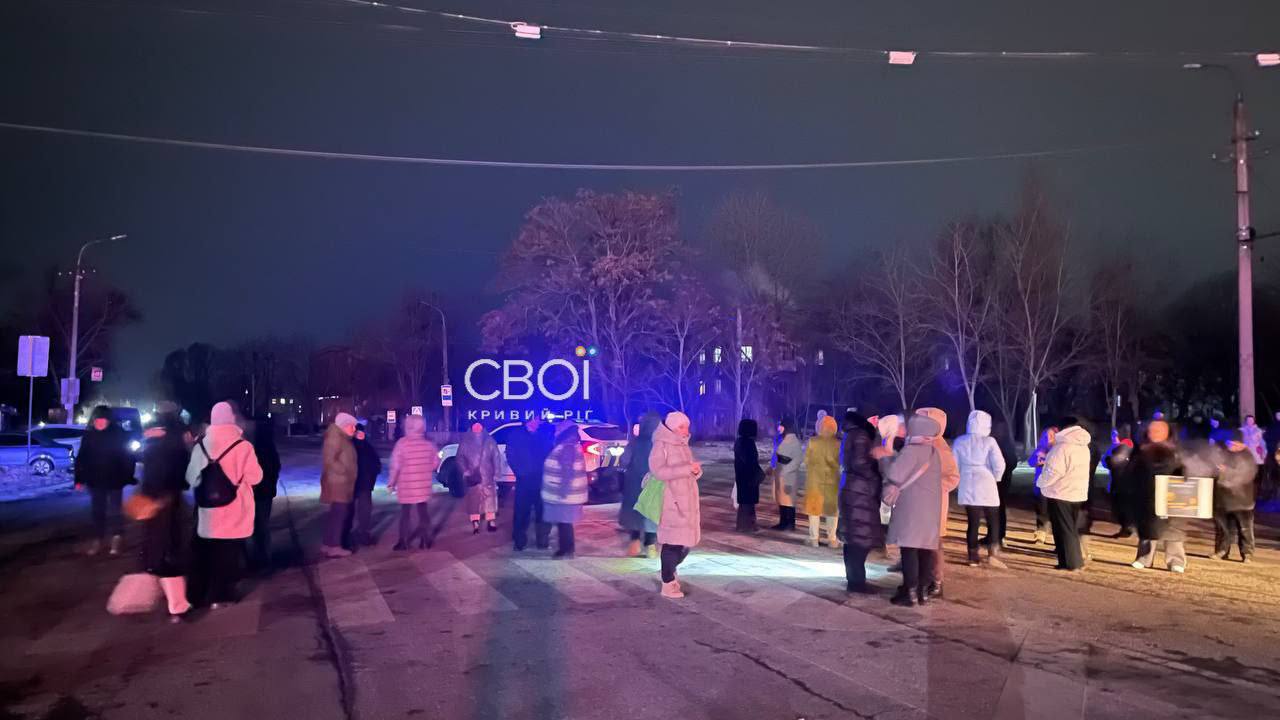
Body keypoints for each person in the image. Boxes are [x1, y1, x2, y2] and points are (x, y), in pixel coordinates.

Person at [187, 401, 263, 608]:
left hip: (208, 510)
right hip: (234, 509)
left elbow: (191, 478)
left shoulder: (201, 446)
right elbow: (256, 477)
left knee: (210, 551)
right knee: (229, 553)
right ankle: (222, 596)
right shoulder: (243, 446)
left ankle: (206, 593)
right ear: (231, 419)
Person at [882, 413, 946, 607]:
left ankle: (909, 592)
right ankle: (922, 592)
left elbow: (894, 473)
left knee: (909, 549)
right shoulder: (933, 452)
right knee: (925, 550)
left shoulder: (912, 451)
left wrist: (885, 456)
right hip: (930, 510)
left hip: (911, 509)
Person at [137, 405, 192, 621]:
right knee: (171, 548)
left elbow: (148, 470)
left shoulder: (150, 440)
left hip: (153, 499)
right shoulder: (176, 440)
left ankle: (172, 600)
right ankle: (177, 604)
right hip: (169, 498)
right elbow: (183, 471)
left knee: (159, 548)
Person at [650, 411, 702, 599]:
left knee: (685, 543)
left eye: (687, 426)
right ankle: (668, 582)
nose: (686, 430)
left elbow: (688, 469)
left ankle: (668, 570)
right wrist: (686, 469)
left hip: (687, 500)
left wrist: (695, 471)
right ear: (671, 427)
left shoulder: (682, 444)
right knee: (673, 543)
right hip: (672, 500)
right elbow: (658, 471)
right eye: (681, 427)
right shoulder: (661, 444)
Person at [76, 405, 137, 556]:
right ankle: (98, 539)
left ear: (109, 421)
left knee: (115, 510)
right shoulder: (89, 436)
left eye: (103, 420)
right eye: (97, 420)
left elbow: (129, 458)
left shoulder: (119, 435)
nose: (99, 423)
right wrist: (79, 479)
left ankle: (117, 537)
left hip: (114, 480)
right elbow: (81, 458)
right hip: (95, 481)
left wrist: (128, 476)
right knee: (98, 511)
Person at [1129, 420, 1187, 573]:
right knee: (1148, 528)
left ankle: (1176, 560)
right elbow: (1133, 472)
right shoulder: (1141, 451)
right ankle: (1144, 557)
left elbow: (1184, 473)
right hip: (1148, 495)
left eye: (1158, 431)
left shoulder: (1176, 452)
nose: (1154, 433)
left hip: (1171, 496)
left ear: (1167, 433)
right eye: (1151, 430)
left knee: (1173, 530)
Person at [953, 410, 1007, 568]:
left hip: (967, 482)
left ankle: (972, 556)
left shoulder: (960, 441)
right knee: (993, 520)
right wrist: (997, 477)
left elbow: (954, 464)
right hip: (986, 481)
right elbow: (999, 463)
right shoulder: (989, 441)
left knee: (973, 522)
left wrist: (958, 480)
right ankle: (992, 553)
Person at [915, 408, 959, 597]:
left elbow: (953, 477)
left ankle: (937, 581)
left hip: (933, 504)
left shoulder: (941, 448)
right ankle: (921, 579)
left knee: (933, 545)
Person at [1037, 421, 1092, 571]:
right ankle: (1067, 561)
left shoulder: (1061, 448)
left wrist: (1041, 482)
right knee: (1069, 528)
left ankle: (1071, 563)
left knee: (1063, 530)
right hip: (1076, 493)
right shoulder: (1083, 447)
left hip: (1060, 493)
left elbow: (1054, 471)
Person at [840, 411, 882, 593]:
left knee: (853, 537)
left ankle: (854, 579)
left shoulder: (850, 435)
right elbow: (860, 463)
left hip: (851, 487)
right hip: (860, 490)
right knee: (860, 537)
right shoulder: (861, 435)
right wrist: (875, 476)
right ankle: (856, 582)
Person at [387, 414, 439, 550]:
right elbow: (436, 463)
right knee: (423, 512)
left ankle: (403, 541)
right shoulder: (429, 444)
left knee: (405, 513)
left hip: (407, 485)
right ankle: (425, 540)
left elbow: (395, 466)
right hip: (423, 484)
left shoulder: (402, 444)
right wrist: (425, 469)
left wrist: (391, 483)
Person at [507, 415, 554, 552]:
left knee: (543, 512)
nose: (536, 422)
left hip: (541, 479)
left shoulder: (544, 436)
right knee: (521, 512)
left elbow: (550, 453)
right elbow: (511, 455)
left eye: (538, 420)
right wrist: (519, 471)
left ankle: (542, 541)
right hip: (524, 479)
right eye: (534, 419)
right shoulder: (516, 435)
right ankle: (519, 541)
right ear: (527, 420)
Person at [542, 422, 589, 559]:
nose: (556, 432)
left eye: (558, 429)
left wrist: (562, 491)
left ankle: (564, 550)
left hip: (564, 493)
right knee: (564, 522)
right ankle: (568, 549)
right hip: (567, 493)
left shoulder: (567, 447)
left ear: (564, 432)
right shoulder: (570, 445)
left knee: (564, 523)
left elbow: (567, 471)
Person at [618, 413, 661, 556]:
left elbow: (624, 460)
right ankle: (650, 546)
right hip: (654, 484)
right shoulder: (659, 444)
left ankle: (634, 544)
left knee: (635, 513)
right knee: (651, 513)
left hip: (634, 484)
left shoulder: (634, 443)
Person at [1214, 429, 1258, 562]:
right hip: (1224, 498)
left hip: (1243, 500)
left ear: (1242, 444)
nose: (1232, 446)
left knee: (1245, 528)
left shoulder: (1247, 457)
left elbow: (1245, 475)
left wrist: (1226, 471)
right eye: (1230, 443)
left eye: (1235, 443)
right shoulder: (1223, 454)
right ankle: (1222, 551)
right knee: (1223, 528)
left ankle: (1247, 553)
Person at [803, 415, 842, 548]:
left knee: (814, 509)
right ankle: (832, 539)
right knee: (832, 510)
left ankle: (814, 538)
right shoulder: (838, 443)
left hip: (815, 480)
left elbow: (806, 460)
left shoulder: (812, 441)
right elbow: (841, 461)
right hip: (832, 480)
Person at [249, 415, 281, 571]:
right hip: (265, 492)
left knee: (257, 526)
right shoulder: (269, 447)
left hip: (258, 492)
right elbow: (275, 468)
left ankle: (260, 558)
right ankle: (263, 557)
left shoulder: (253, 448)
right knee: (262, 525)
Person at [458, 422, 502, 533]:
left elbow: (496, 457)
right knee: (474, 500)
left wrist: (497, 472)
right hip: (473, 476)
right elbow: (460, 457)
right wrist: (465, 470)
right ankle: (475, 523)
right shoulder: (465, 441)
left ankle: (491, 521)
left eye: (479, 425)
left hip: (487, 475)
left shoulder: (489, 441)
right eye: (475, 425)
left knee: (490, 499)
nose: (477, 427)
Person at [349, 422, 383, 547]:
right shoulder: (350, 447)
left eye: (362, 432)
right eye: (358, 432)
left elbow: (376, 463)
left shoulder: (368, 447)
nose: (361, 435)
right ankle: (347, 535)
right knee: (349, 511)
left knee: (365, 511)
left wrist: (373, 474)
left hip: (366, 484)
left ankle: (364, 534)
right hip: (352, 484)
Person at [1104, 426, 1137, 538]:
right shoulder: (1122, 447)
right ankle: (1126, 527)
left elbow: (1111, 462)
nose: (1113, 438)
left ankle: (1127, 528)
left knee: (1122, 506)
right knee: (1121, 506)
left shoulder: (1125, 446)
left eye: (1115, 436)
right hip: (1121, 482)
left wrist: (1111, 453)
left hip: (1122, 483)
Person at [733, 418, 765, 534]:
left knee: (745, 502)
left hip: (742, 476)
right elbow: (751, 461)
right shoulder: (748, 443)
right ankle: (747, 525)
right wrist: (759, 473)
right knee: (748, 502)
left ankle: (743, 525)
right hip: (749, 476)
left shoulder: (740, 441)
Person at [770, 418, 802, 531]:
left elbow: (798, 459)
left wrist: (786, 469)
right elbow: (776, 454)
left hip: (788, 475)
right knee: (781, 499)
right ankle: (783, 522)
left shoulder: (794, 441)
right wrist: (773, 467)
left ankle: (789, 523)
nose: (779, 428)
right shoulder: (782, 439)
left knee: (788, 500)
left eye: (781, 426)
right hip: (781, 472)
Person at [991, 418, 1017, 547]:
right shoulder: (993, 443)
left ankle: (999, 536)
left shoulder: (1005, 445)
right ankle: (993, 535)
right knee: (993, 508)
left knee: (999, 508)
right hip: (994, 480)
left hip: (1002, 481)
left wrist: (1002, 472)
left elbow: (1012, 462)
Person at [1029, 426, 1058, 545]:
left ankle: (1058, 538)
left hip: (1055, 486)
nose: (1048, 438)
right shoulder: (1040, 449)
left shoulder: (1058, 449)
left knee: (1055, 512)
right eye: (1046, 436)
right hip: (1040, 485)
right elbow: (1030, 462)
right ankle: (1041, 533)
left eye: (1051, 436)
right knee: (1041, 509)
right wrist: (1036, 461)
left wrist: (1046, 461)